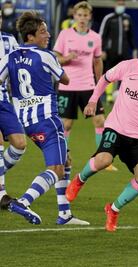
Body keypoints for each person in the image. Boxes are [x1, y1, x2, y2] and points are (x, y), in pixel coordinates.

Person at [65, 37, 138, 232]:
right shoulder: (127, 67)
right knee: (103, 160)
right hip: (116, 128)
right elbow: (105, 79)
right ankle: (79, 180)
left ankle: (113, 209)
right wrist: (92, 101)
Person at [0, 11, 89, 225]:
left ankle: (65, 214)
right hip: (48, 120)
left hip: (27, 124)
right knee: (56, 169)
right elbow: (65, 79)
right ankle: (24, 200)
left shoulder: (10, 56)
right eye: (43, 31)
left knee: (65, 160)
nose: (47, 35)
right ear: (30, 36)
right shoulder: (45, 55)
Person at [53, 1, 116, 171]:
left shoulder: (95, 37)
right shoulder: (65, 35)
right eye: (79, 15)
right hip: (67, 86)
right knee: (66, 124)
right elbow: (55, 57)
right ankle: (63, 156)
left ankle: (103, 158)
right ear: (74, 16)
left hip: (88, 86)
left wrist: (100, 83)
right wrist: (66, 58)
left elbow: (97, 61)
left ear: (90, 17)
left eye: (85, 15)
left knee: (100, 121)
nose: (82, 19)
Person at [0, 8, 26, 209]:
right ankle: (2, 195)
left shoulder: (9, 40)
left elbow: (18, 69)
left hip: (4, 99)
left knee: (19, 144)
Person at [99, 0, 138, 104]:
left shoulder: (127, 18)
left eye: (122, 4)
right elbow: (102, 35)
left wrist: (134, 49)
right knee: (110, 73)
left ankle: (122, 95)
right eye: (119, 4)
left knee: (125, 74)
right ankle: (109, 96)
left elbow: (131, 36)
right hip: (111, 52)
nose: (120, 6)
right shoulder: (109, 18)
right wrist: (102, 50)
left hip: (124, 52)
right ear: (115, 5)